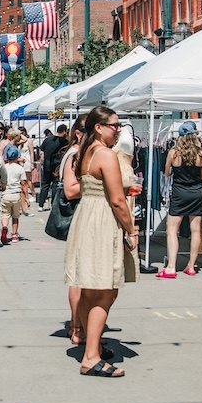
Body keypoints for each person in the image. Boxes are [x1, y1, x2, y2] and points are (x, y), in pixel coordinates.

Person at [64, 108, 135, 377]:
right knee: (105, 290)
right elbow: (117, 200)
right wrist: (132, 230)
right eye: (114, 125)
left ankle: (89, 347)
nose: (118, 129)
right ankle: (91, 356)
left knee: (90, 286)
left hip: (87, 218)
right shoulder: (105, 154)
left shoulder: (85, 152)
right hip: (102, 219)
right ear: (98, 127)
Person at [159, 121, 202, 278]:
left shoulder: (173, 153)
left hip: (180, 193)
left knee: (172, 230)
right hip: (196, 193)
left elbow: (167, 173)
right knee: (195, 231)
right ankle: (191, 266)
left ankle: (171, 267)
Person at [59, 118, 86, 345]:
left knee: (85, 275)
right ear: (78, 133)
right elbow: (70, 190)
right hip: (80, 217)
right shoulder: (74, 155)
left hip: (86, 217)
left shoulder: (79, 153)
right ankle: (77, 327)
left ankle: (81, 326)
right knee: (79, 275)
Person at [38, 123, 70, 211]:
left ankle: (40, 205)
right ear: (64, 131)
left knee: (45, 185)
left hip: (47, 164)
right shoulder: (65, 142)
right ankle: (53, 204)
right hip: (57, 166)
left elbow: (42, 151)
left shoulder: (48, 140)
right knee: (55, 185)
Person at [0, 145, 26, 244]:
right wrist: (26, 197)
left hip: (6, 193)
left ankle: (4, 227)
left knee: (5, 214)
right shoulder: (20, 169)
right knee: (15, 216)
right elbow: (23, 183)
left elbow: (0, 180)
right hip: (16, 194)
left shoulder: (4, 168)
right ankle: (14, 235)